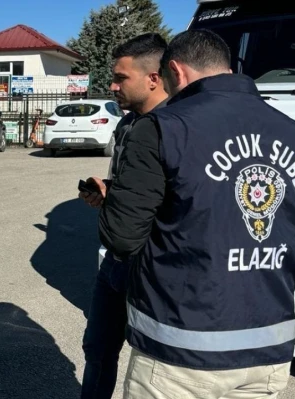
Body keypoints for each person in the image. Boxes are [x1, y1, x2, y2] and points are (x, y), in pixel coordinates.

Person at [98, 29, 295, 398]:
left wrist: (114, 202)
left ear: (176, 72)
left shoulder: (163, 129)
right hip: (267, 351)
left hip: (179, 353)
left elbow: (122, 235)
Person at [78, 33, 169, 399]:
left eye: (121, 78)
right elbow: (139, 190)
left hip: (152, 266)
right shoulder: (127, 124)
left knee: (152, 361)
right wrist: (108, 194)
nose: (112, 85)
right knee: (98, 349)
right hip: (115, 262)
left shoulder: (176, 130)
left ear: (153, 77)